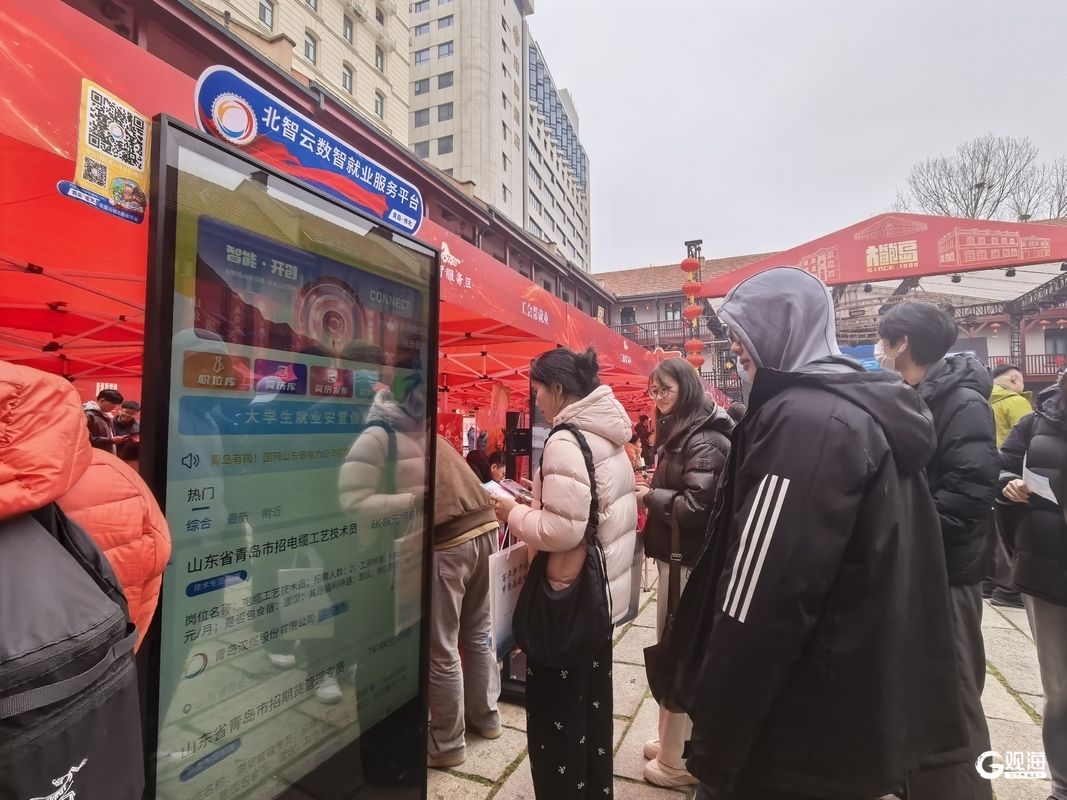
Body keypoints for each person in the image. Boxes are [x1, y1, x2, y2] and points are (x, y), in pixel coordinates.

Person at [671, 268, 966, 800]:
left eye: (743, 332)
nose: (733, 346)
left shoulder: (805, 420)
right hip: (839, 703)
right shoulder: (855, 405)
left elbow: (763, 590)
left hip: (788, 725)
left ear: (784, 328)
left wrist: (717, 729)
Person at [491, 346, 637, 800]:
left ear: (557, 389)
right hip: (599, 597)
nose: (536, 402)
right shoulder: (607, 433)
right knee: (591, 712)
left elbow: (561, 530)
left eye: (538, 391)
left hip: (566, 602)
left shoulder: (565, 439)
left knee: (557, 719)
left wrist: (513, 512)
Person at [877, 301, 997, 799]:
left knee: (955, 693)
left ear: (904, 343)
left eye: (884, 340)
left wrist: (908, 531)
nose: (880, 349)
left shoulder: (963, 403)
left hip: (947, 569)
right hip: (917, 563)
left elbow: (969, 494)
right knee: (915, 688)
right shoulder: (912, 395)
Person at [1, 362, 170, 650]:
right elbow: (152, 568)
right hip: (100, 655)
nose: (123, 413)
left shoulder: (112, 451)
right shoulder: (117, 475)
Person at [635, 357, 732, 788]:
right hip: (678, 558)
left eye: (665, 389)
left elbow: (696, 507)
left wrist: (648, 497)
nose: (658, 398)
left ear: (687, 388)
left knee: (678, 652)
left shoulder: (704, 438)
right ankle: (673, 741)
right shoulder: (689, 431)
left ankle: (676, 760)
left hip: (686, 562)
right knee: (677, 647)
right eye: (654, 390)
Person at [999, 381, 1067, 800]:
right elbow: (1000, 465)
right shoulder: (1035, 422)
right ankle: (1062, 784)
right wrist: (1008, 483)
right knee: (1059, 687)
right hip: (1046, 568)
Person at [427, 436, 503, 768]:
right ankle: (486, 718)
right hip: (486, 527)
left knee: (442, 646)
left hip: (450, 539)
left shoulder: (394, 438)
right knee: (478, 632)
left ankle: (447, 745)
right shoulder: (436, 437)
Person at [986, 364, 1032, 608]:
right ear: (1014, 378)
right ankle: (1010, 589)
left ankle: (989, 583)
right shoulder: (1015, 401)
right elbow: (1033, 439)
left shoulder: (982, 399)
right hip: (1016, 476)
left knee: (992, 531)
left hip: (989, 469)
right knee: (1016, 534)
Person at [84, 388, 123, 454]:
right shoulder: (88, 415)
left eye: (116, 404)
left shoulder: (105, 414)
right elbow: (86, 438)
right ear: (102, 400)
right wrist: (110, 440)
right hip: (95, 454)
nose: (114, 406)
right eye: (113, 403)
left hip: (105, 452)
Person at [112, 400, 141, 465]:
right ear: (120, 410)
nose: (128, 415)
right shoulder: (109, 425)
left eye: (132, 414)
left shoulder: (140, 426)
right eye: (126, 412)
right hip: (114, 460)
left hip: (134, 461)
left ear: (136, 414)